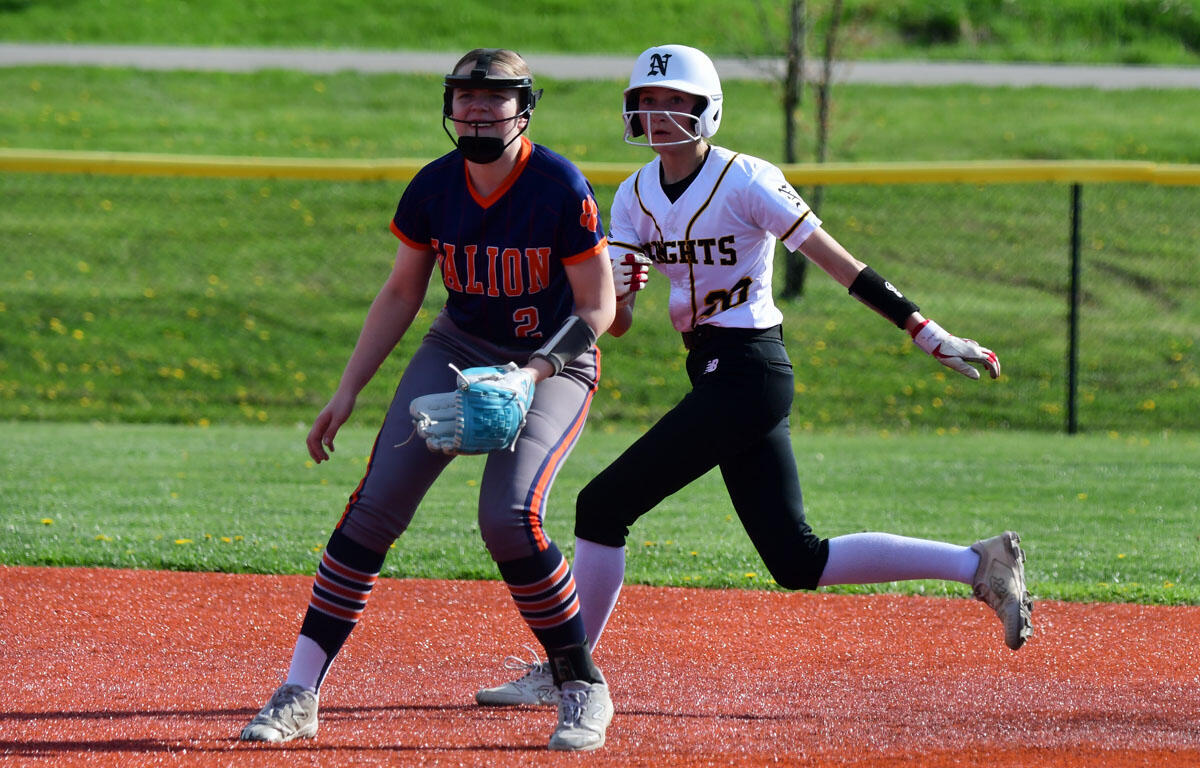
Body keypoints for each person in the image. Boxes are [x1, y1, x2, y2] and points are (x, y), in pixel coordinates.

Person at [476, 43, 1033, 708]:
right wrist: (623, 293)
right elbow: (616, 323)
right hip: (712, 370)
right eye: (646, 101)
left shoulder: (746, 179)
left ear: (706, 107)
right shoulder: (631, 196)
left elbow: (838, 264)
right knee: (797, 559)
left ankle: (570, 670)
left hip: (749, 369)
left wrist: (925, 330)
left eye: (673, 100)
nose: (657, 113)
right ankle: (979, 564)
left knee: (602, 507)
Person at [239, 48, 616, 752]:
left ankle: (581, 686)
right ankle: (299, 693)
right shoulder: (433, 187)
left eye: (493, 97)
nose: (476, 109)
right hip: (461, 346)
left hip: (554, 361)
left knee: (509, 518)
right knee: (374, 505)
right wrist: (348, 389)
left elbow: (597, 308)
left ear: (524, 107)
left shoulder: (560, 186)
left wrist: (530, 375)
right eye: (464, 97)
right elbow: (403, 292)